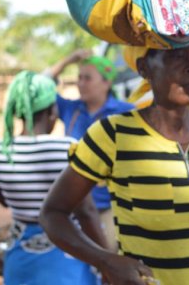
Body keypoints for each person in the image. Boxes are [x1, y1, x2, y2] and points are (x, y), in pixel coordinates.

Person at [40, 41, 189, 285]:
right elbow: (53, 213)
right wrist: (105, 261)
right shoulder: (114, 135)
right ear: (144, 68)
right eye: (177, 56)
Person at [0, 71, 106, 285]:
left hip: (20, 258)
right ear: (52, 111)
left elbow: (3, 199)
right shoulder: (65, 148)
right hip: (66, 256)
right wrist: (106, 259)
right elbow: (86, 211)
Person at [46, 49, 134, 243]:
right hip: (73, 209)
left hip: (110, 210)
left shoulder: (126, 113)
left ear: (107, 82)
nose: (80, 83)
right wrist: (69, 59)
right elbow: (43, 84)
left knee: (107, 262)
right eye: (79, 77)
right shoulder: (71, 109)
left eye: (87, 78)